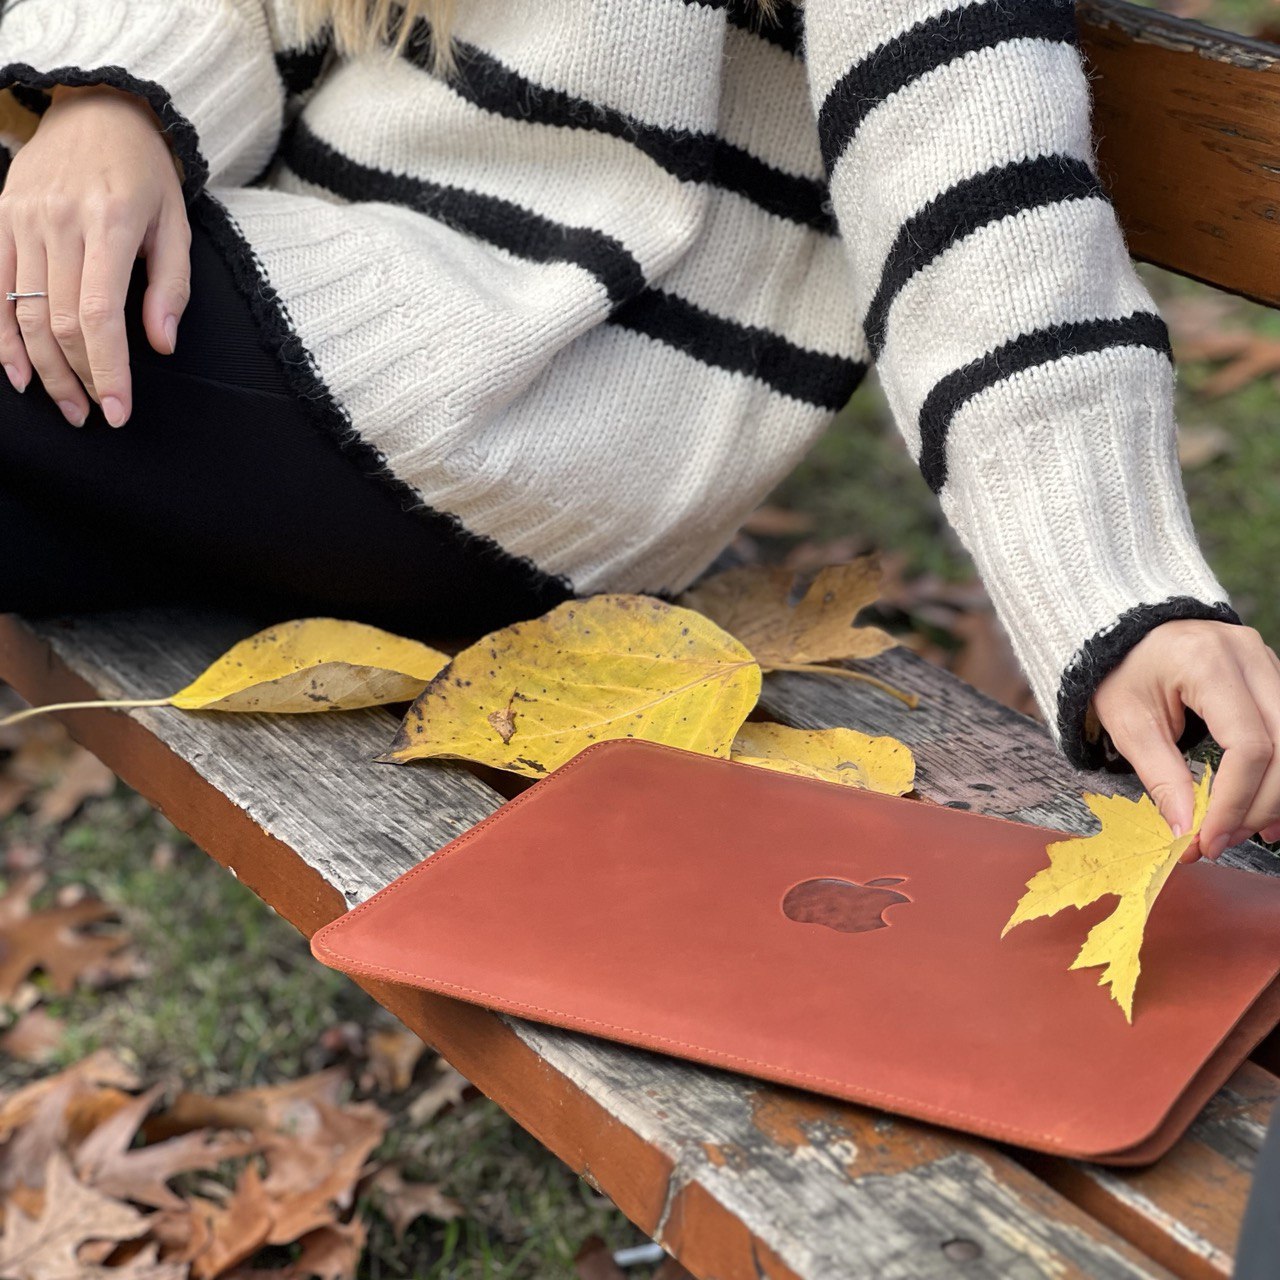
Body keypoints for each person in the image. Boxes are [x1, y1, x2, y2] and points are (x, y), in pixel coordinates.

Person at [0, 0, 1276, 859]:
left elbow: (974, 188)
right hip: (275, 299)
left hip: (503, 406)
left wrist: (1127, 591)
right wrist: (110, 99)